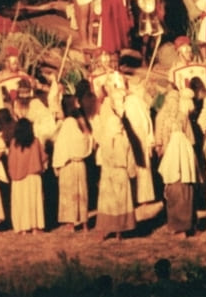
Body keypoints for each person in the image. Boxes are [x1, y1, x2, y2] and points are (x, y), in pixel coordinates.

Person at [53, 96, 94, 232]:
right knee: (79, 193)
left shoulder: (70, 123)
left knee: (73, 194)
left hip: (70, 164)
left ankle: (74, 224)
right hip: (73, 163)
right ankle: (82, 223)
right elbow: (80, 141)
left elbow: (60, 145)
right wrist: (88, 136)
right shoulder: (71, 122)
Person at [95, 114, 137, 241]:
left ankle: (104, 231)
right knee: (120, 203)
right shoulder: (124, 140)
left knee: (107, 203)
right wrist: (131, 173)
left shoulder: (104, 140)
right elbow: (130, 160)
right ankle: (119, 231)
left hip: (109, 173)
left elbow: (99, 159)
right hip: (121, 173)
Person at [8, 118, 46, 234]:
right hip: (33, 177)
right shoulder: (35, 141)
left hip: (18, 178)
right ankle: (35, 228)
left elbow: (11, 161)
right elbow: (43, 157)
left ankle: (23, 229)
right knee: (34, 203)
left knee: (21, 203)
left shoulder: (14, 143)